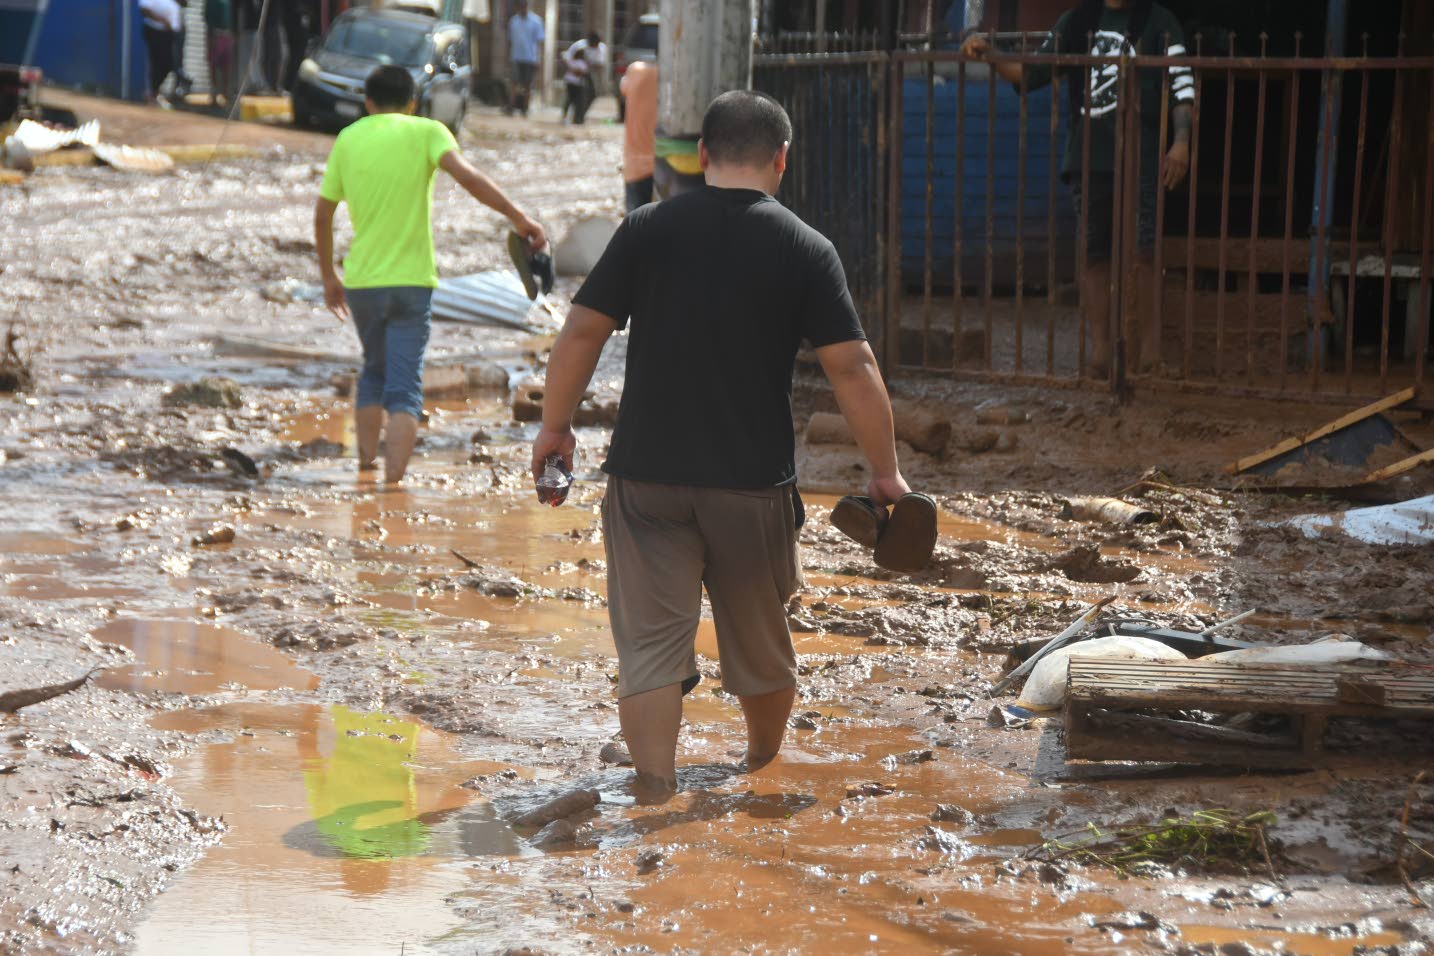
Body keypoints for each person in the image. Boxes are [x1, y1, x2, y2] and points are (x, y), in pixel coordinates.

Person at [532, 91, 911, 798]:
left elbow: (582, 330)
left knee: (650, 648)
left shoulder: (646, 228)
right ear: (782, 159)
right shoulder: (805, 247)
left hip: (646, 478)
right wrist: (885, 473)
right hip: (752, 485)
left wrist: (556, 427)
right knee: (760, 641)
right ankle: (758, 768)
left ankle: (653, 790)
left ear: (701, 154)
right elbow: (853, 368)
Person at [315, 65, 546, 485]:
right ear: (411, 102)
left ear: (367, 101)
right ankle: (392, 487)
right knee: (404, 385)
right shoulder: (428, 131)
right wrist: (518, 217)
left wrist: (329, 275)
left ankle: (365, 470)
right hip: (412, 282)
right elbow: (469, 178)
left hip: (362, 283)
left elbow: (323, 212)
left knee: (373, 371)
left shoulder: (348, 138)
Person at [961, 0, 1192, 375]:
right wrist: (991, 54)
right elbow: (1031, 73)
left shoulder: (1160, 21)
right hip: (1088, 158)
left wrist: (1181, 142)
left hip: (1144, 158)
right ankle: (1102, 353)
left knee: (1145, 252)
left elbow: (1182, 87)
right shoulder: (1078, 21)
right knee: (1095, 254)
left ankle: (1150, 354)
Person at [618, 59, 656, 212]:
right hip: (670, 163)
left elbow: (623, 88)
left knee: (636, 220)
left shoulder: (635, 71)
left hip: (635, 166)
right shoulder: (674, 76)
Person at [139, 0, 183, 104]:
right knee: (157, 63)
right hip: (156, 32)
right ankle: (151, 93)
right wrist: (162, 21)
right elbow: (144, 9)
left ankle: (154, 92)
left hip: (171, 34)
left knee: (170, 64)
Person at [505, 0, 544, 117]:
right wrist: (508, 57)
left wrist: (538, 58)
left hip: (530, 58)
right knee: (514, 82)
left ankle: (525, 108)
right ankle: (511, 106)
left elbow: (539, 42)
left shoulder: (536, 21)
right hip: (516, 56)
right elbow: (509, 41)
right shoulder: (513, 21)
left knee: (528, 84)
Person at [564, 31, 606, 111]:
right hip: (575, 74)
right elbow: (567, 57)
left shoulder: (601, 48)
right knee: (573, 95)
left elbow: (600, 65)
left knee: (592, 94)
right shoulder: (579, 45)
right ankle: (571, 112)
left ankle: (582, 112)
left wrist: (587, 65)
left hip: (590, 73)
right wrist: (574, 69)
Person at [205, 0, 235, 107]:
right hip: (215, 35)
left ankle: (225, 93)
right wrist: (212, 36)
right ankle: (214, 93)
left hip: (227, 35)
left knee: (226, 66)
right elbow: (208, 18)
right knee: (214, 65)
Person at [560, 47, 588, 124]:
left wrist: (573, 70)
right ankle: (575, 118)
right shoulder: (582, 63)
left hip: (570, 82)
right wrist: (576, 71)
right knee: (575, 101)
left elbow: (577, 72)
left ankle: (567, 117)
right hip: (576, 84)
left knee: (569, 101)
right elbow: (580, 73)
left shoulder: (571, 62)